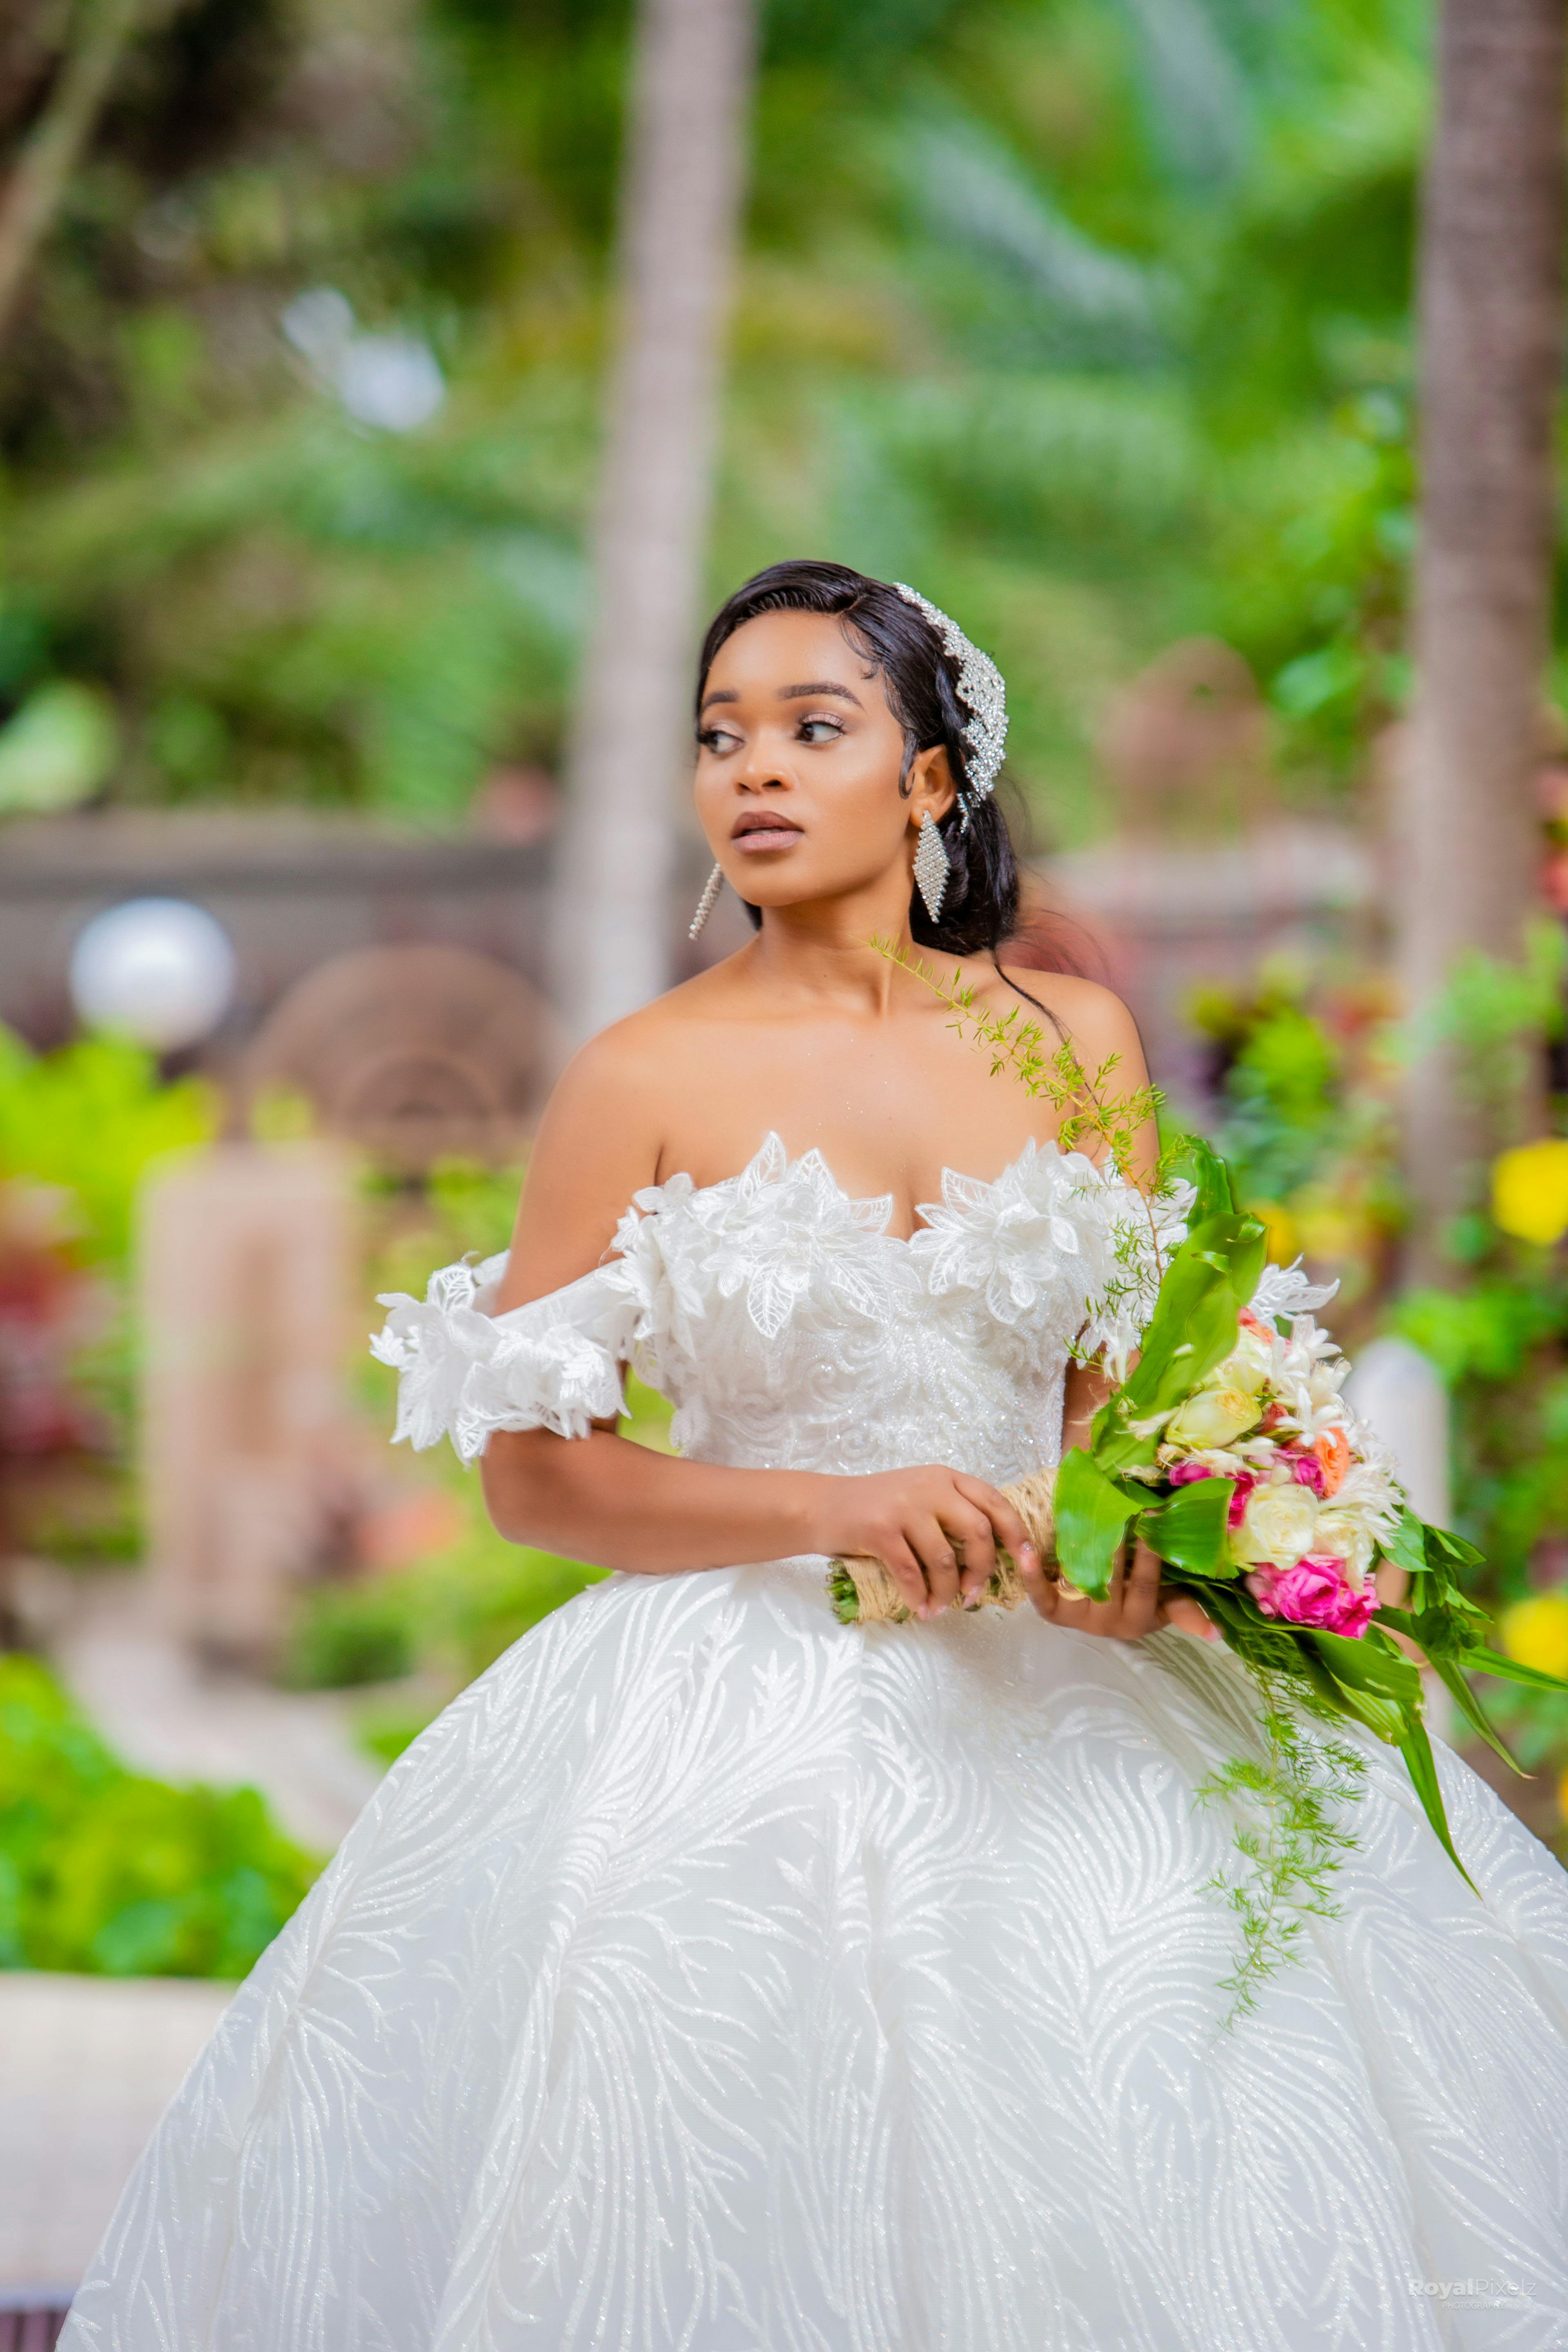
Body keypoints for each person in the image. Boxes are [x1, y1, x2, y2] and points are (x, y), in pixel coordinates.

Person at [65, 562, 1568, 2352]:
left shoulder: (1075, 1040)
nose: (752, 772)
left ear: (933, 780)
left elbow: (1118, 1402)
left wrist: (1135, 1554)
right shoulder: (638, 1075)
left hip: (1085, 1716)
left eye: (811, 728)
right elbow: (536, 1479)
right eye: (722, 737)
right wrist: (829, 1505)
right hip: (739, 1722)